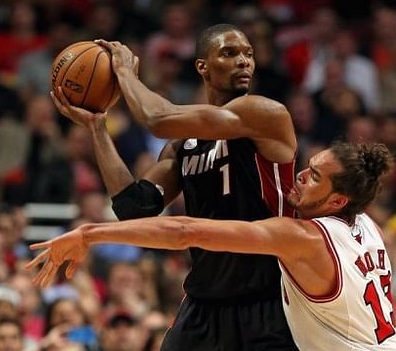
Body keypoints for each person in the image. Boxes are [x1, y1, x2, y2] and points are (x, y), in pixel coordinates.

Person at [50, 24, 298, 350]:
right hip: (205, 302)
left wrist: (124, 72)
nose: (244, 61)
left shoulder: (265, 113)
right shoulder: (185, 145)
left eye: (248, 54)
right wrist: (98, 128)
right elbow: (134, 207)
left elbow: (157, 119)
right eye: (229, 53)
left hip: (268, 298)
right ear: (202, 67)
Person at [27, 142, 396, 350]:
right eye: (309, 166)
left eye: (315, 177)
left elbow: (184, 231)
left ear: (338, 200)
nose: (301, 175)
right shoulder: (368, 227)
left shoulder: (302, 237)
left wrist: (89, 233)